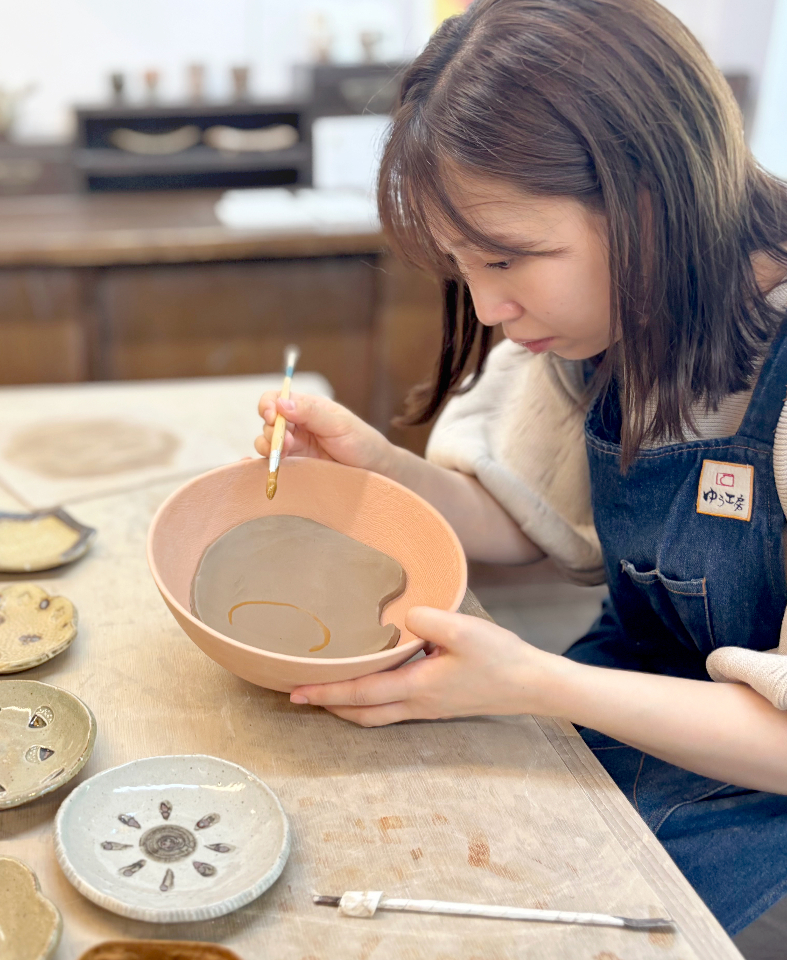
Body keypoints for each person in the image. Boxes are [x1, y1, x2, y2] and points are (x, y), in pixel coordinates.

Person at [255, 0, 787, 938]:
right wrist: (371, 469)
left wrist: (534, 683)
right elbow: (527, 516)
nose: (490, 306)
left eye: (509, 258)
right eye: (463, 268)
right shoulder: (606, 308)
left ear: (650, 197)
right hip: (636, 682)